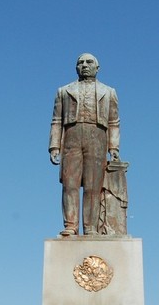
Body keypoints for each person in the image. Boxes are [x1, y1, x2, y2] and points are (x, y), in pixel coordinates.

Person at [49, 53, 120, 236]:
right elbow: (56, 120)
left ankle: (90, 227)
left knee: (93, 186)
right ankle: (70, 225)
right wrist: (54, 146)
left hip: (97, 137)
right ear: (76, 67)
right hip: (71, 137)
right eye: (80, 62)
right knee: (69, 184)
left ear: (98, 68)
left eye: (89, 62)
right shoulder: (64, 91)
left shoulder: (108, 91)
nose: (85, 65)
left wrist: (114, 147)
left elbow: (114, 122)